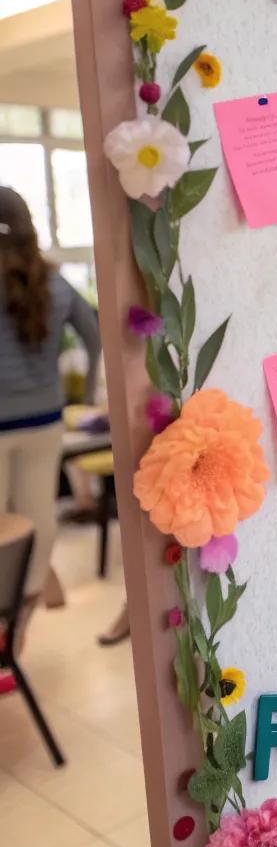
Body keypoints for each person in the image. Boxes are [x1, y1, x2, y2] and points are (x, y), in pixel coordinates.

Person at [0, 185, 101, 636]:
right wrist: (87, 393)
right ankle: (18, 628)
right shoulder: (53, 281)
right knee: (38, 516)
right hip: (45, 419)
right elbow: (95, 336)